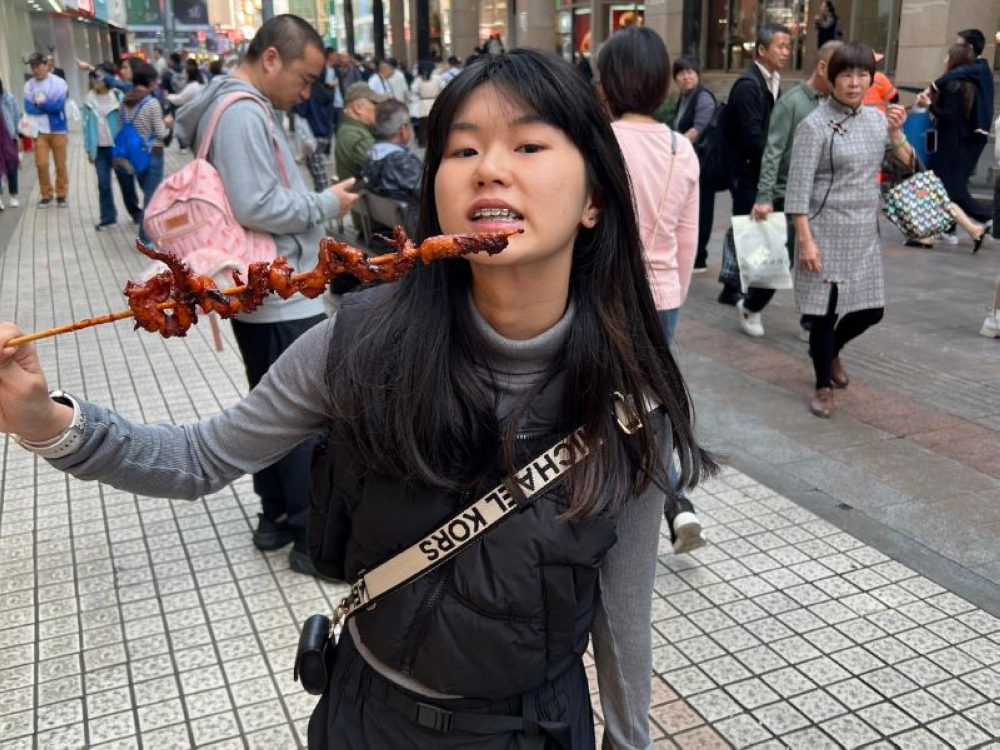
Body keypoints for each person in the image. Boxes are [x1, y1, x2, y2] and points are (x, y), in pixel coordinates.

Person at [0, 47, 714, 749]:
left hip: (535, 728)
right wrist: (43, 419)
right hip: (371, 719)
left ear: (594, 198)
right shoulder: (362, 346)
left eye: (528, 144)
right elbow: (198, 457)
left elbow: (623, 618)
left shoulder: (629, 390)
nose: (490, 168)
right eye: (461, 151)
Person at [173, 15, 358, 576]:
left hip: (257, 287)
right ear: (271, 58)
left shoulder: (225, 107)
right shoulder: (244, 112)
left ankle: (275, 516)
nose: (305, 94)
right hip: (278, 289)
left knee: (269, 402)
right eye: (303, 79)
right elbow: (257, 203)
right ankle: (309, 536)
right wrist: (325, 204)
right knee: (301, 412)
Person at [599, 26, 706, 555]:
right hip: (661, 295)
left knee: (602, 398)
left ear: (609, 81)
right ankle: (675, 500)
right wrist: (673, 296)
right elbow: (689, 240)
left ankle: (630, 504)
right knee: (648, 401)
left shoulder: (596, 143)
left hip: (605, 291)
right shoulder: (679, 149)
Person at [786, 42, 915, 418]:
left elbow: (908, 166)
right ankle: (822, 384)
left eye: (862, 75)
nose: (855, 83)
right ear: (831, 77)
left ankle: (831, 352)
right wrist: (806, 241)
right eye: (847, 74)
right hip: (823, 230)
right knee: (824, 313)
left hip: (863, 231)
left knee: (871, 310)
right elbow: (797, 190)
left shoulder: (877, 120)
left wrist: (896, 134)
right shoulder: (813, 125)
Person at [750, 40, 841, 340]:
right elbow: (772, 151)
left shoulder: (837, 107)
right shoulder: (792, 103)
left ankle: (811, 321)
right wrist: (764, 197)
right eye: (841, 72)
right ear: (823, 67)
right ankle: (751, 305)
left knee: (818, 261)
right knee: (782, 259)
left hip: (821, 199)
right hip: (785, 193)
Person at [718, 23, 791, 319]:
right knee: (745, 229)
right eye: (780, 46)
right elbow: (753, 137)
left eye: (788, 46)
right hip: (747, 172)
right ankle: (733, 286)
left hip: (758, 171)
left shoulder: (773, 81)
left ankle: (734, 284)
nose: (786, 52)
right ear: (762, 50)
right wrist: (776, 160)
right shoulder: (749, 86)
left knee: (747, 228)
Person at [916, 42, 993, 241]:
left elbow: (949, 116)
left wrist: (929, 105)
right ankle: (950, 229)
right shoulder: (967, 84)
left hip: (948, 142)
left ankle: (978, 221)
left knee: (948, 187)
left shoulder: (952, 85)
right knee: (950, 187)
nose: (944, 60)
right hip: (955, 142)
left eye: (947, 57)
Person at [671, 56, 717, 273]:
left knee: (702, 209)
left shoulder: (703, 98)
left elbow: (698, 129)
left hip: (704, 163)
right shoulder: (685, 98)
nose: (686, 77)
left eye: (690, 72)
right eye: (681, 74)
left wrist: (672, 145)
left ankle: (699, 258)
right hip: (689, 162)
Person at [82, 66, 142, 231]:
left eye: (97, 78)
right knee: (103, 183)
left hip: (118, 147)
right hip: (100, 149)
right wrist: (88, 148)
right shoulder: (88, 100)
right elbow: (85, 125)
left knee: (126, 180)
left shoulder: (118, 96)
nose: (94, 81)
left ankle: (135, 212)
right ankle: (108, 218)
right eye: (92, 78)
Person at [116, 62, 168, 244]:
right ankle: (146, 239)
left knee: (147, 193)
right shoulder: (152, 103)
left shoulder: (123, 102)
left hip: (134, 156)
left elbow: (122, 128)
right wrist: (168, 124)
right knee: (151, 198)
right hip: (153, 154)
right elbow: (161, 133)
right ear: (149, 81)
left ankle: (150, 235)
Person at [361, 98, 422, 231]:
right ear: (403, 129)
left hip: (386, 227)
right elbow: (427, 193)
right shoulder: (402, 161)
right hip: (414, 228)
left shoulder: (371, 155)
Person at [23, 52, 69, 208]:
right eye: (32, 67)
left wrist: (40, 104)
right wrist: (47, 105)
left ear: (46, 65)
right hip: (39, 131)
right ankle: (46, 194)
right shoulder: (28, 86)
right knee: (41, 164)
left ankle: (61, 194)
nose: (35, 70)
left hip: (58, 129)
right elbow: (29, 108)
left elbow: (59, 106)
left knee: (60, 164)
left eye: (38, 66)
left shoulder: (59, 83)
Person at [293, 78, 336, 191]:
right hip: (324, 132)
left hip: (313, 134)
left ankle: (323, 193)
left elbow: (302, 111)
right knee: (314, 163)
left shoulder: (308, 93)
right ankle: (321, 192)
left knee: (316, 165)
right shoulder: (323, 91)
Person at [167, 59, 206, 153]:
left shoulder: (192, 86)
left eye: (185, 72)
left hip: (194, 115)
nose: (183, 74)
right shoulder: (202, 83)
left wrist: (168, 96)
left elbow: (180, 99)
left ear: (189, 74)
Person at [410, 60, 442, 148]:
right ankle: (436, 142)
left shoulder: (418, 79)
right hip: (435, 102)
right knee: (436, 124)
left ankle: (423, 142)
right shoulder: (438, 78)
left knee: (423, 126)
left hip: (422, 103)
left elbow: (413, 91)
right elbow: (443, 88)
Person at [0, 77, 21, 210]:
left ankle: (13, 195)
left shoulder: (8, 98)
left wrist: (18, 136)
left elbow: (16, 117)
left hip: (9, 136)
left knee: (12, 167)